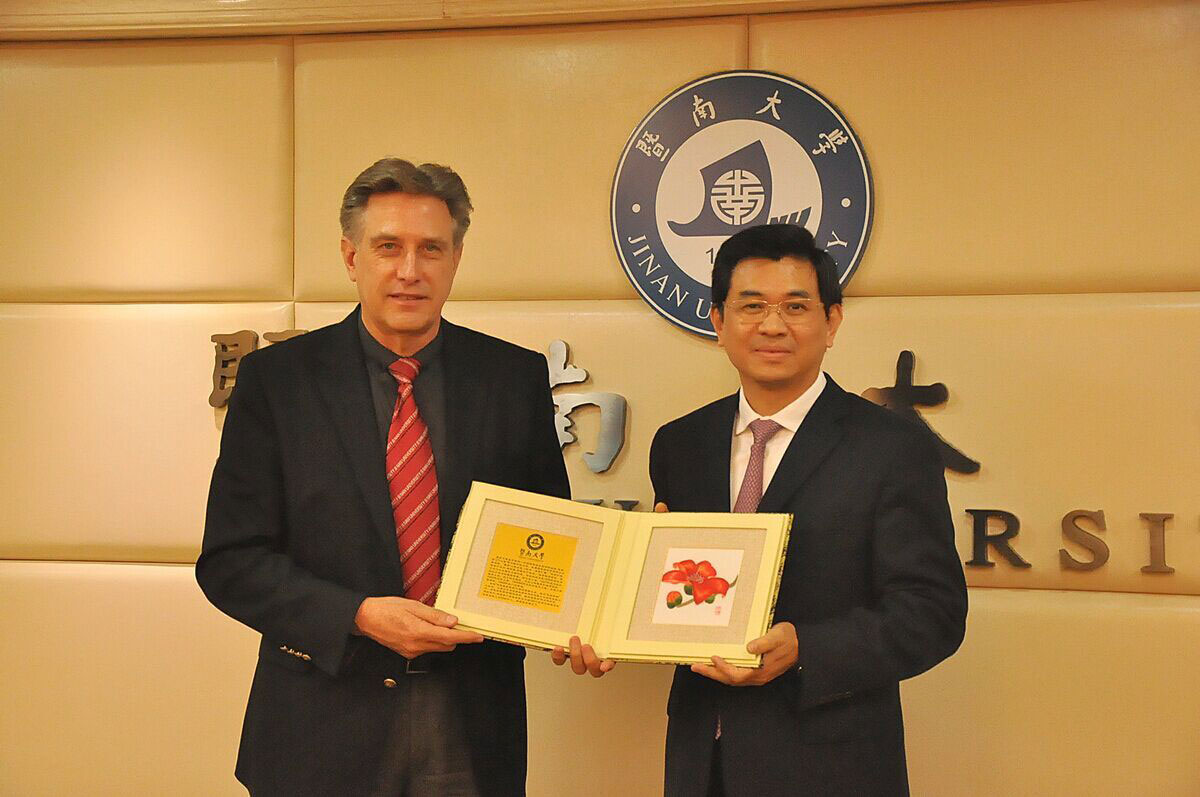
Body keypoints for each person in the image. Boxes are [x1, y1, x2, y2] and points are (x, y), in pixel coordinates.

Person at [197, 158, 577, 796]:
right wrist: (358, 615)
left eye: (431, 248)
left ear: (456, 258)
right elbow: (231, 561)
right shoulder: (279, 382)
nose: (409, 270)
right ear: (352, 257)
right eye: (388, 247)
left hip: (472, 721)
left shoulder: (513, 378)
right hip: (320, 720)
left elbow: (549, 536)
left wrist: (583, 612)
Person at [648, 224, 967, 796]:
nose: (772, 325)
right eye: (751, 306)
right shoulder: (679, 444)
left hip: (831, 767)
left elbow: (932, 612)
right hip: (700, 765)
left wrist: (806, 650)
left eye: (795, 307)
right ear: (718, 321)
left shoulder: (891, 448)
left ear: (832, 321)